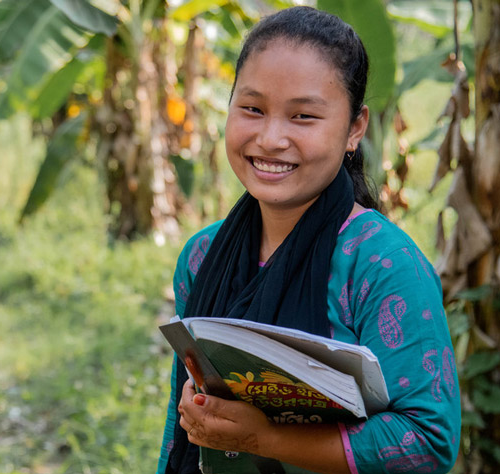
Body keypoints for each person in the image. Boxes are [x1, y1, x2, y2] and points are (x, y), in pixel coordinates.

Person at [156, 6, 460, 474]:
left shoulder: (383, 265)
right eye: (252, 109)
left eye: (303, 116)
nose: (271, 138)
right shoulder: (201, 256)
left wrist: (266, 438)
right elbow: (181, 428)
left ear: (354, 128)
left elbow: (426, 441)